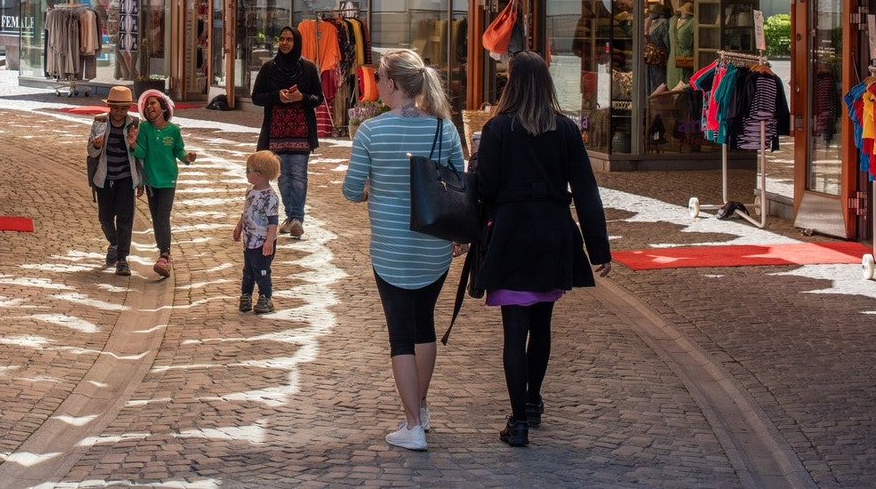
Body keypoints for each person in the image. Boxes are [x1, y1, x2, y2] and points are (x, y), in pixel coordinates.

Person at [474, 49, 612, 448]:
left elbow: (484, 190)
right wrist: (599, 249)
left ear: (512, 83)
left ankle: (518, 421)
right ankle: (533, 402)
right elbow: (586, 191)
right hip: (553, 233)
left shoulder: (498, 129)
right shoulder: (565, 130)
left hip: (512, 234)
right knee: (542, 325)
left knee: (514, 333)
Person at [342, 48, 462, 453]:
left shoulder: (371, 132)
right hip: (434, 247)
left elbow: (349, 191)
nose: (375, 82)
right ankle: (421, 409)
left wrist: (374, 189)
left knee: (400, 336)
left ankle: (412, 424)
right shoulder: (443, 129)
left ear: (392, 84)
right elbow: (459, 183)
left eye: (378, 76)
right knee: (423, 325)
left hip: (391, 248)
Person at [252, 26, 323, 239]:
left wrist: (301, 97)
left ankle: (297, 218)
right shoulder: (269, 68)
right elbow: (257, 97)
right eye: (281, 39)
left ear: (296, 42)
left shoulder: (308, 68)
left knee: (299, 175)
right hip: (276, 130)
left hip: (301, 130)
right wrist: (277, 96)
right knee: (283, 177)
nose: (284, 43)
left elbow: (318, 98)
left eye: (289, 39)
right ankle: (292, 217)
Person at [132, 88, 197, 278]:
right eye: (147, 104)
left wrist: (188, 157)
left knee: (162, 218)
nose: (149, 106)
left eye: (153, 103)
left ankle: (165, 255)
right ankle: (163, 254)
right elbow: (142, 153)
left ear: (163, 107)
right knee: (156, 219)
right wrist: (133, 145)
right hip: (152, 182)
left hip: (168, 181)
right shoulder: (144, 128)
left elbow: (179, 150)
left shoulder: (174, 130)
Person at [87, 85, 143, 277]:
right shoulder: (100, 122)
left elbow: (140, 155)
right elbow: (90, 152)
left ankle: (122, 259)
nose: (119, 112)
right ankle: (114, 242)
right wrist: (96, 146)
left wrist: (141, 180)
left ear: (129, 108)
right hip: (104, 178)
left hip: (126, 179)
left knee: (125, 220)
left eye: (123, 108)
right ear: (109, 106)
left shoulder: (134, 124)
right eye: (116, 108)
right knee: (105, 218)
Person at [232, 150, 280, 314]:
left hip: (262, 241)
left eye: (248, 170)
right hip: (249, 239)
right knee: (248, 270)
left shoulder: (270, 197)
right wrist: (239, 225)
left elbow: (273, 221)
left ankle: (266, 297)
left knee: (262, 270)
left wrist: (269, 240)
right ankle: (246, 295)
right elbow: (246, 211)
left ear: (258, 174)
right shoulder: (250, 192)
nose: (246, 173)